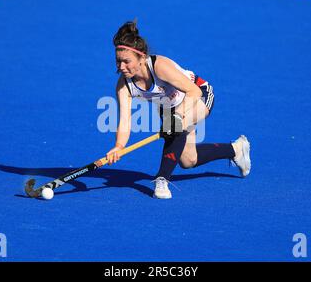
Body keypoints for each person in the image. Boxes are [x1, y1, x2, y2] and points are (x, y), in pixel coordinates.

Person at [106, 20, 251, 199]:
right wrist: (118, 147)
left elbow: (194, 91)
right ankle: (236, 149)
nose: (121, 67)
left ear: (142, 58)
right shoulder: (123, 86)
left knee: (176, 126)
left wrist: (177, 117)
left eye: (126, 61)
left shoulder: (159, 67)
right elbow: (125, 120)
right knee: (189, 160)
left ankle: (162, 179)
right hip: (169, 107)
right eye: (118, 61)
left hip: (199, 94)